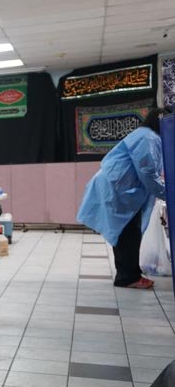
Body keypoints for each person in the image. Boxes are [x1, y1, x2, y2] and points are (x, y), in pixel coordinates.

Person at [78, 107, 170, 289]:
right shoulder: (148, 138)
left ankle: (130, 274)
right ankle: (128, 277)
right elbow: (147, 172)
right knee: (127, 233)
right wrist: (167, 194)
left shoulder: (147, 136)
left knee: (128, 232)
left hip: (121, 187)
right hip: (118, 188)